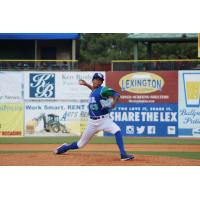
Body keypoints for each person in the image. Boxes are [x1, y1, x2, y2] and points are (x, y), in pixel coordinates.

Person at [54, 73, 134, 161]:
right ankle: (65, 147)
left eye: (99, 80)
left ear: (101, 82)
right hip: (92, 122)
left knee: (117, 130)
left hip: (104, 120)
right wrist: (86, 84)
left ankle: (123, 154)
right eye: (95, 79)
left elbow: (116, 94)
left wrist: (114, 102)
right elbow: (94, 90)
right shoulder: (94, 91)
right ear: (92, 80)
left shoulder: (103, 89)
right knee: (80, 144)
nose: (97, 81)